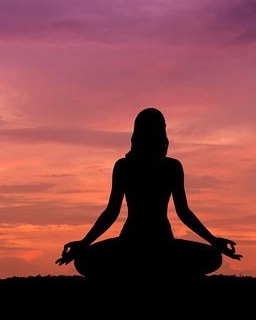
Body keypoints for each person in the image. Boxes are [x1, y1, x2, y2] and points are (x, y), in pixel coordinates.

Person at [55, 107, 242, 281]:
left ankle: (135, 271)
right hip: (141, 244)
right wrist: (84, 243)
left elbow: (112, 212)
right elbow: (182, 212)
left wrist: (213, 240)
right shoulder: (161, 167)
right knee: (211, 258)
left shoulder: (133, 166)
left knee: (85, 262)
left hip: (148, 244)